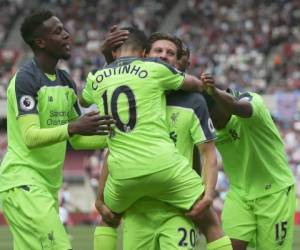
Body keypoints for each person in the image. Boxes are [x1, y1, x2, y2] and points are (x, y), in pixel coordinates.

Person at [81, 28, 231, 250]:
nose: (163, 56)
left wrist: (208, 194)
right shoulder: (143, 87)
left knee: (210, 221)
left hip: (176, 209)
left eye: (170, 53)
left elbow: (207, 154)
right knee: (107, 216)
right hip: (138, 212)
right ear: (144, 55)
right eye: (158, 51)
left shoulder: (193, 102)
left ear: (179, 62)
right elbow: (110, 151)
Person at [0, 10, 113, 250]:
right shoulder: (25, 79)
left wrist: (113, 138)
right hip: (23, 183)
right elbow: (31, 137)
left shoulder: (65, 81)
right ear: (40, 42)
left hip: (47, 188)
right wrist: (73, 127)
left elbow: (79, 140)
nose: (67, 35)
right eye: (58, 31)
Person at [203, 81, 296, 250]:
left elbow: (241, 107)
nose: (211, 123)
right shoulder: (208, 127)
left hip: (274, 194)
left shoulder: (253, 104)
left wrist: (214, 92)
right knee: (227, 247)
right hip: (239, 193)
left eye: (212, 117)